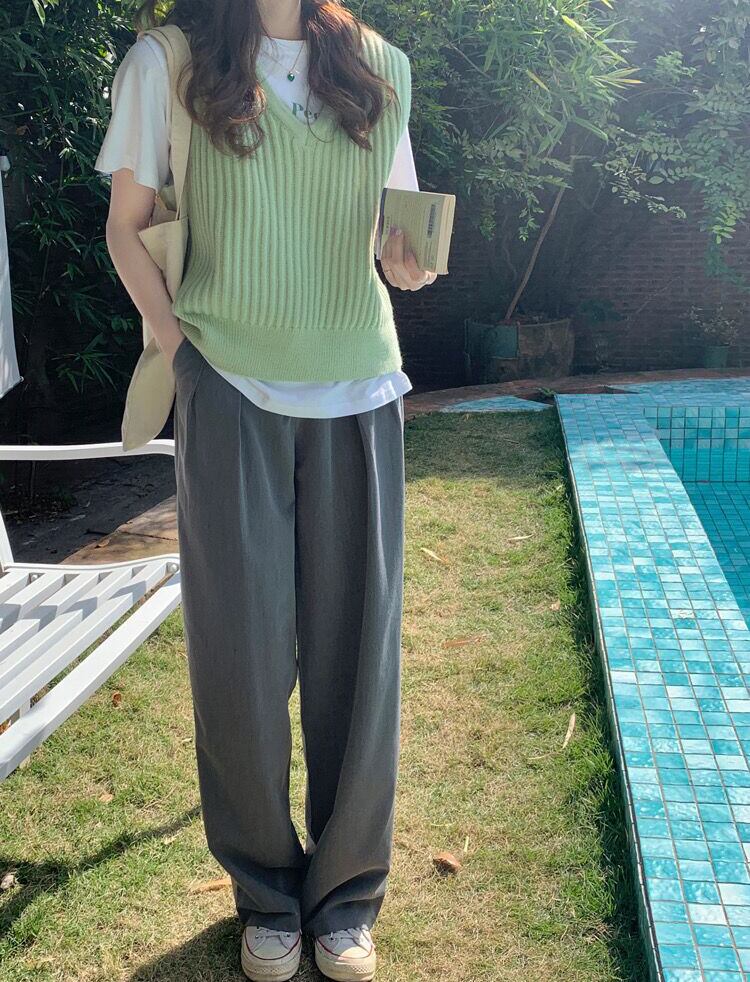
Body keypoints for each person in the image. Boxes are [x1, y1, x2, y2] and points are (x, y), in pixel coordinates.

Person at [95, 1, 437, 979]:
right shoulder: (168, 62)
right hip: (230, 385)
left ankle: (345, 896)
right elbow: (126, 230)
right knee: (238, 661)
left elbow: (396, 240)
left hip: (358, 386)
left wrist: (408, 261)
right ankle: (266, 891)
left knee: (357, 658)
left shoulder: (380, 67)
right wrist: (182, 353)